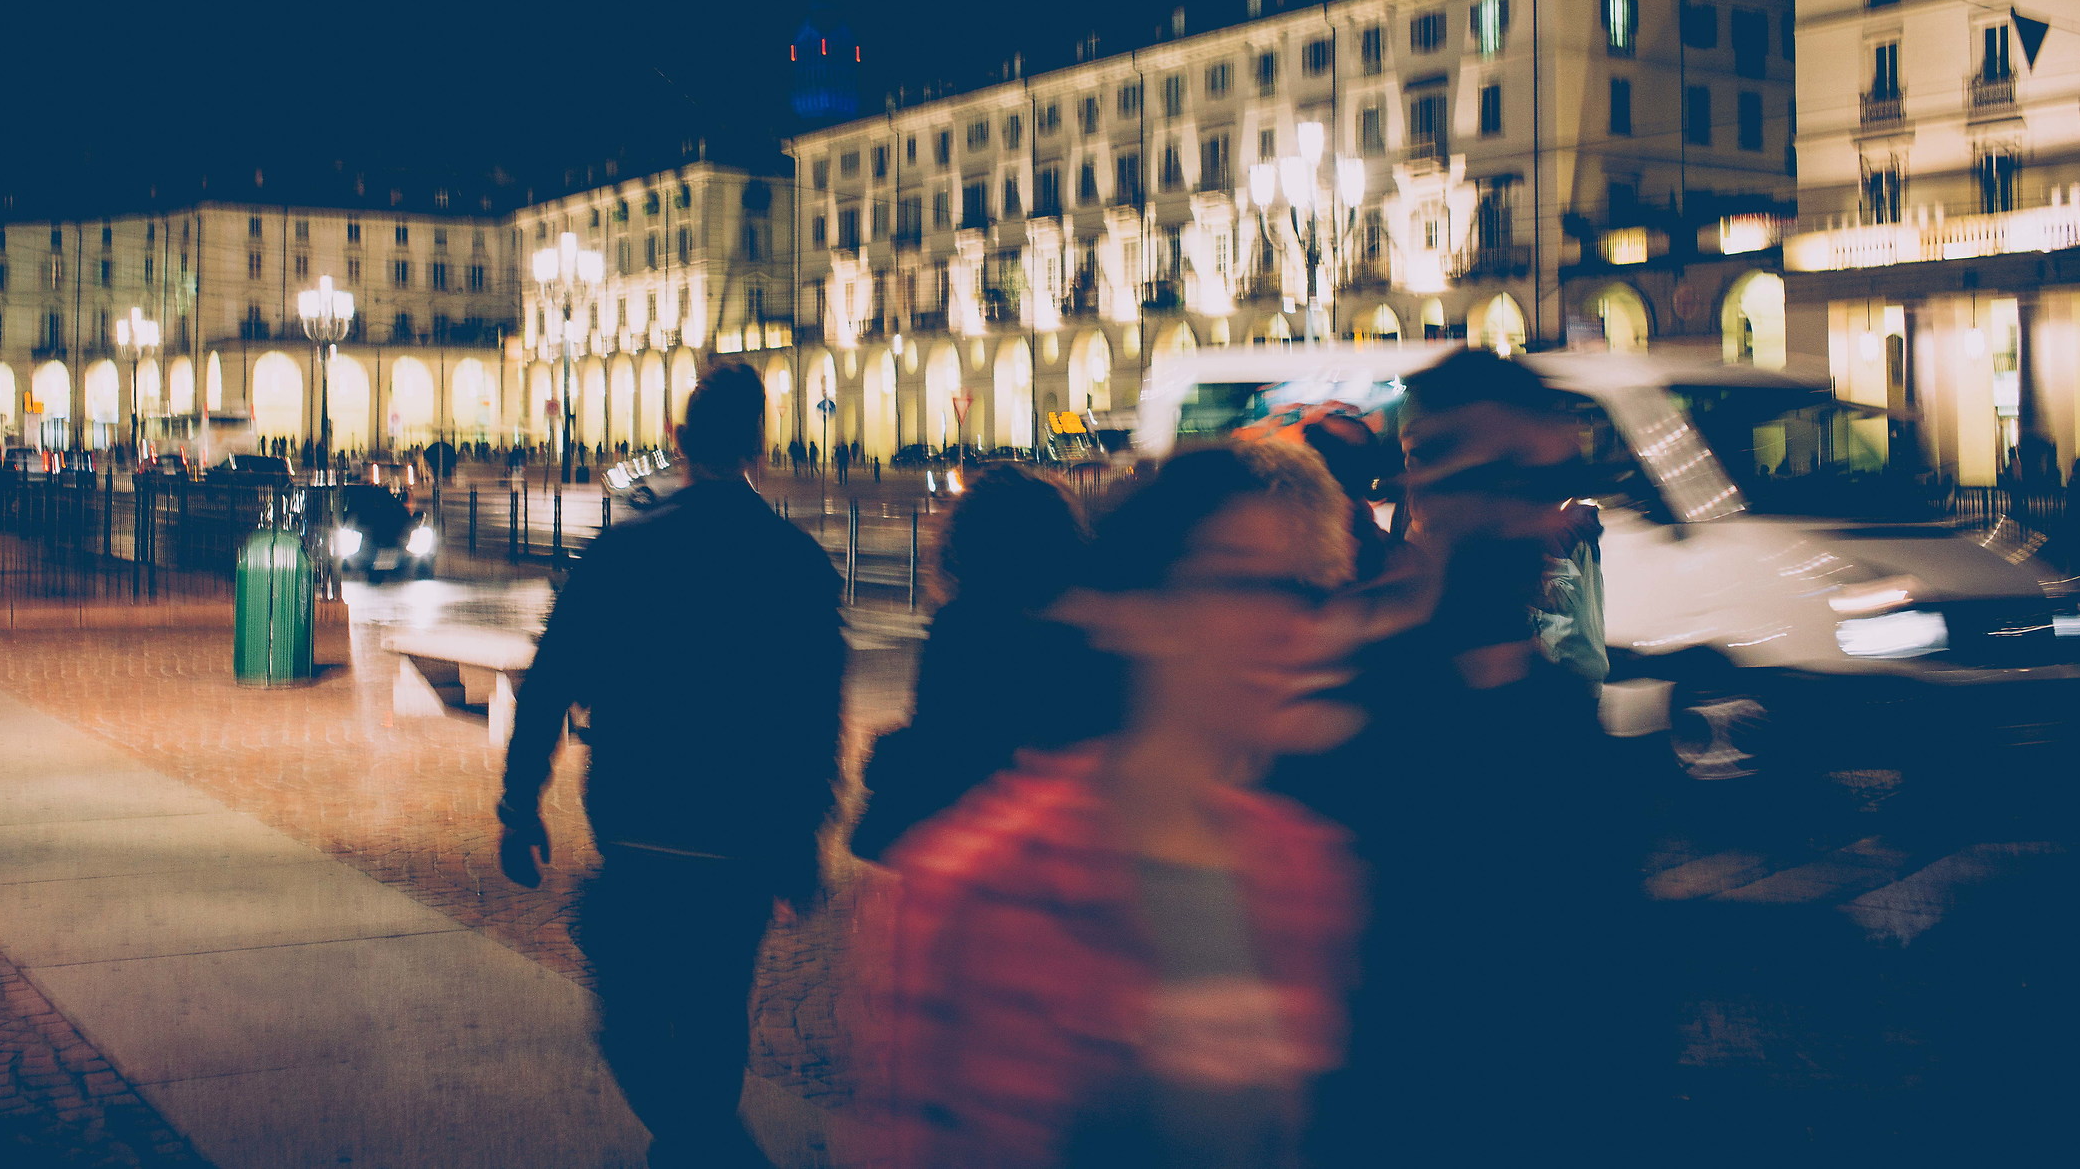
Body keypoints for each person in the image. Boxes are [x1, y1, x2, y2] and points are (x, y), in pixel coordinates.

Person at [863, 441, 1403, 1168]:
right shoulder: (986, 886)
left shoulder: (1307, 870)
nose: (1288, 627)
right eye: (1242, 583)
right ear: (1143, 609)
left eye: (1307, 592)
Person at [1269, 349, 1653, 1161]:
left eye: (1544, 481)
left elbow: (1603, 981)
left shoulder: (1551, 706)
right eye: (1497, 477)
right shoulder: (1337, 687)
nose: (1529, 513)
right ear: (1423, 478)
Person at [498, 363, 845, 1168]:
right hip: (743, 838)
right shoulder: (797, 562)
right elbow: (817, 718)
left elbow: (548, 680)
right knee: (717, 1010)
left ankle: (697, 1146)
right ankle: (701, 1144)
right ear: (760, 445)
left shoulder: (622, 551)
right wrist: (804, 836)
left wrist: (520, 802)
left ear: (678, 441)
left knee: (629, 1018)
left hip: (639, 822)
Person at [849, 465, 1121, 863]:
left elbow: (943, 743)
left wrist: (886, 757)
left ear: (967, 542)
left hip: (985, 844)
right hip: (1071, 841)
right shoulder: (1091, 625)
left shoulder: (966, 626)